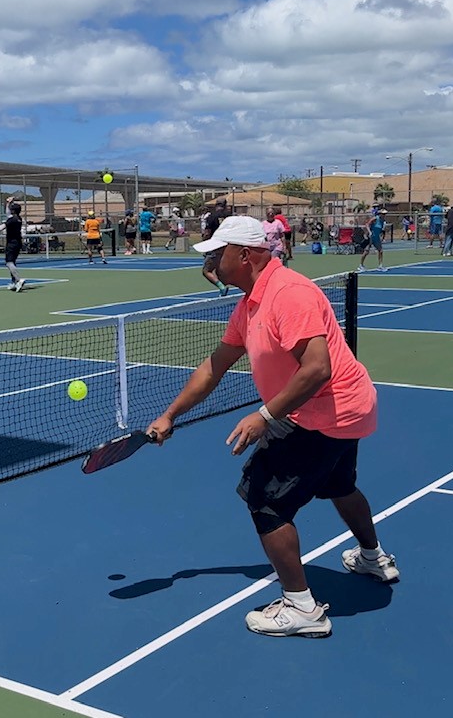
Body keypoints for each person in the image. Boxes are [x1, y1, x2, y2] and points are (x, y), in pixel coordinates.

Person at [148, 215, 399, 638]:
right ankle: (373, 557)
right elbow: (215, 366)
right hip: (344, 408)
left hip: (323, 409)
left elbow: (317, 369)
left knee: (265, 501)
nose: (209, 260)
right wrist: (170, 415)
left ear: (244, 255)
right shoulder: (250, 303)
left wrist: (264, 416)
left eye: (216, 252)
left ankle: (301, 607)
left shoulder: (288, 294)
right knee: (339, 486)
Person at [201, 200, 230, 295]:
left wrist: (204, 244)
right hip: (229, 246)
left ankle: (222, 288)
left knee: (206, 271)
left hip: (216, 246)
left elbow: (207, 233)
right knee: (219, 269)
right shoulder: (229, 216)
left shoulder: (212, 216)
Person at [3, 203, 26, 292]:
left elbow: (1, 227)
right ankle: (14, 282)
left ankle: (19, 279)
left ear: (13, 211)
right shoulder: (19, 219)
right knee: (13, 262)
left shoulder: (11, 220)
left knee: (9, 263)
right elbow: (8, 214)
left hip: (11, 244)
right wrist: (8, 203)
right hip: (18, 243)